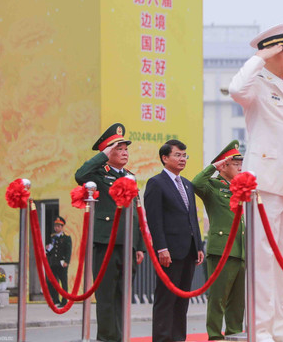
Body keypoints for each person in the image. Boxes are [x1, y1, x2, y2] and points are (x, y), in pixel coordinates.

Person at [228, 23, 283, 342]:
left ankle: (278, 325)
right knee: (263, 259)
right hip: (264, 184)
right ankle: (260, 327)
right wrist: (258, 58)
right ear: (270, 53)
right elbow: (235, 89)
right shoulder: (256, 83)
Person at [74, 123, 145, 342]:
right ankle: (106, 338)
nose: (125, 153)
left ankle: (121, 336)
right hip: (105, 243)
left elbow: (137, 214)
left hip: (128, 244)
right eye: (119, 149)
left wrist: (139, 246)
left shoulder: (130, 177)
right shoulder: (97, 175)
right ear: (107, 152)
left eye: (126, 149)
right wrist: (102, 156)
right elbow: (80, 175)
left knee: (123, 297)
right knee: (105, 296)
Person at [143, 139, 203, 342]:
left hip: (189, 250)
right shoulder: (156, 183)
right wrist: (161, 247)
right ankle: (161, 338)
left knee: (182, 298)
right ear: (165, 158)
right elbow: (154, 219)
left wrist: (199, 246)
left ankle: (178, 338)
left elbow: (192, 217)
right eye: (178, 155)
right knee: (166, 297)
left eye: (185, 155)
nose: (182, 159)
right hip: (169, 251)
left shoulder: (186, 184)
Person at [192, 140, 247, 340]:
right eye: (235, 164)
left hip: (240, 250)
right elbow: (196, 184)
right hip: (222, 249)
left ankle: (234, 334)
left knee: (238, 300)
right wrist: (214, 167)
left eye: (241, 164)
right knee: (218, 298)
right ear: (224, 165)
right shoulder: (214, 186)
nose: (240, 168)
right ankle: (215, 336)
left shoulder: (241, 187)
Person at [46, 216, 72, 307]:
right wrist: (47, 250)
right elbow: (50, 250)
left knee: (63, 282)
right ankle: (55, 299)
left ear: (62, 227)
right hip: (53, 263)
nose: (56, 228)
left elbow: (68, 251)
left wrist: (66, 261)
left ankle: (64, 301)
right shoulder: (52, 237)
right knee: (51, 281)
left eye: (58, 226)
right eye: (55, 226)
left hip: (62, 263)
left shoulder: (66, 237)